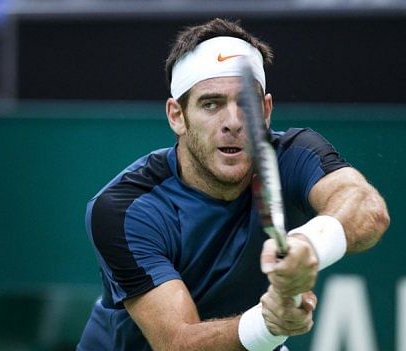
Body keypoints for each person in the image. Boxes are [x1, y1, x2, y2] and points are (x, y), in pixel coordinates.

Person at [77, 18, 390, 351]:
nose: (233, 122)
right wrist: (268, 325)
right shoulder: (124, 208)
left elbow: (368, 209)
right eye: (211, 104)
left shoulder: (294, 155)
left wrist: (308, 245)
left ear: (266, 111)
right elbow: (176, 342)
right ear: (176, 116)